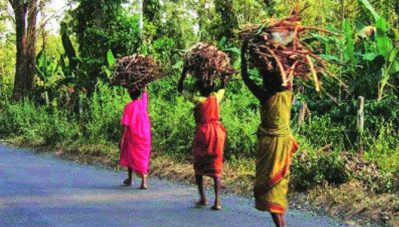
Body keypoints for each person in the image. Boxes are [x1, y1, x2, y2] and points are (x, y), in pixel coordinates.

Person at [241, 41, 298, 227]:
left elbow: (246, 78)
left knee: (271, 188)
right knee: (278, 185)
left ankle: (281, 225)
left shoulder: (264, 96)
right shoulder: (287, 93)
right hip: (282, 144)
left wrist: (242, 55)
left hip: (270, 146)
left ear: (266, 79)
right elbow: (288, 74)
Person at [177, 69, 227, 210]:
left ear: (199, 87)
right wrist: (223, 75)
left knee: (199, 166)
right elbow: (223, 87)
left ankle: (203, 198)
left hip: (203, 133)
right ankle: (217, 202)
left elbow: (180, 88)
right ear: (212, 87)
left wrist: (184, 73)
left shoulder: (197, 99)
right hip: (217, 133)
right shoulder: (216, 98)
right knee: (216, 166)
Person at [119, 86, 151, 189]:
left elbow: (125, 125)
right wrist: (143, 83)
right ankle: (144, 181)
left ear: (130, 95)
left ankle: (130, 179)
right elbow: (145, 91)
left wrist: (122, 138)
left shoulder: (128, 107)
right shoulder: (143, 103)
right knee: (143, 157)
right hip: (145, 134)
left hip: (133, 135)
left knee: (130, 155)